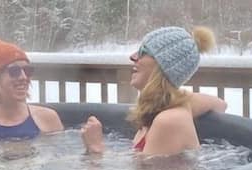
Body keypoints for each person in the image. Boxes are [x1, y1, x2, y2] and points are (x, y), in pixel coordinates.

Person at [81, 26, 227, 155]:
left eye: (143, 51)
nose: (133, 57)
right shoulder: (173, 106)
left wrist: (96, 148)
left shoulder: (170, 120)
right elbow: (220, 104)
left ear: (163, 66)